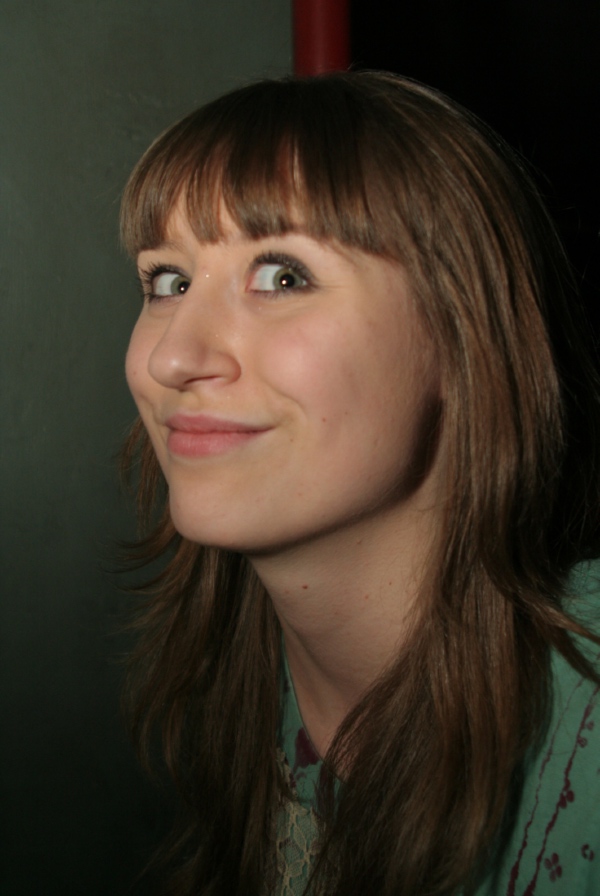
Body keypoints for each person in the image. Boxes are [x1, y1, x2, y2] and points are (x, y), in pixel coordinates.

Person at [120, 72, 600, 896]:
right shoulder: (240, 682)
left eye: (282, 276)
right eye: (169, 282)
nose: (172, 358)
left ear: (462, 337)